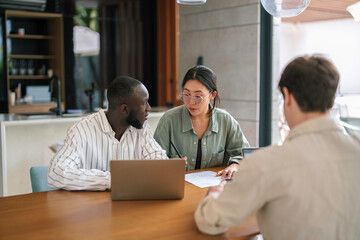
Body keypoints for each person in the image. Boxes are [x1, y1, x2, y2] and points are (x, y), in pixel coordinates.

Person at [194, 55, 360, 239]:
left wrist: (214, 195)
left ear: (287, 96)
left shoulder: (267, 164)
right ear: (331, 101)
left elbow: (210, 221)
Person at [47, 76, 168, 191]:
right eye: (144, 103)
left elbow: (159, 160)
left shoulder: (140, 127)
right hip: (92, 208)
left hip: (133, 207)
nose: (149, 108)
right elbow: (56, 173)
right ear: (124, 109)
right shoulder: (81, 130)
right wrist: (113, 179)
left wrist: (169, 167)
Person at [154, 65, 249, 174]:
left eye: (198, 96)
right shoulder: (169, 120)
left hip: (214, 186)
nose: (191, 102)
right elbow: (153, 160)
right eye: (186, 94)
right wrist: (168, 164)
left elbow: (243, 154)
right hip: (178, 186)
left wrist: (235, 165)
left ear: (212, 95)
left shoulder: (226, 121)